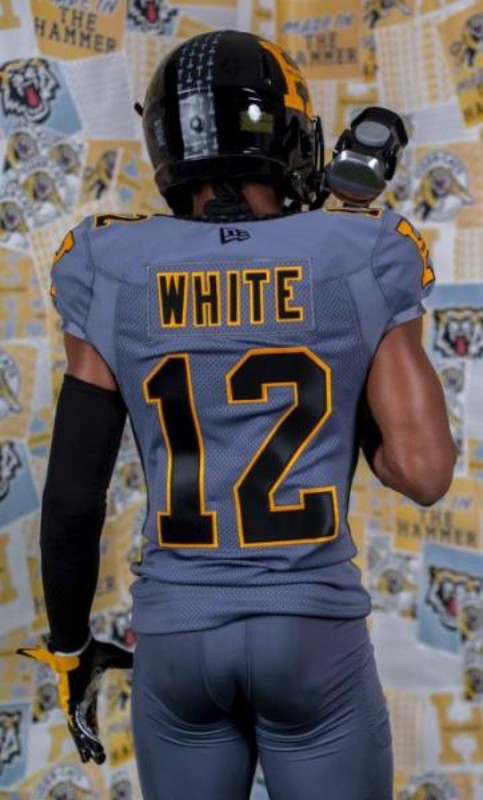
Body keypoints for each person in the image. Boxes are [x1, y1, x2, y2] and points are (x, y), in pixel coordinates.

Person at [20, 30, 455, 800]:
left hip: (176, 637)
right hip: (311, 634)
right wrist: (342, 336)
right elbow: (421, 473)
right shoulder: (359, 251)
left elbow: (74, 498)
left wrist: (70, 647)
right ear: (288, 135)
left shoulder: (108, 264)